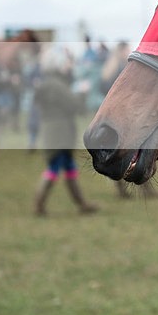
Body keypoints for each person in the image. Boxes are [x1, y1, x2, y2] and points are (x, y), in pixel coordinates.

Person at [33, 47, 98, 216]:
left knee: (69, 168)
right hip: (59, 135)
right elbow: (75, 106)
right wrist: (83, 94)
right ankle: (39, 205)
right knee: (54, 169)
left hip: (55, 133)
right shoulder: (57, 85)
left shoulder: (48, 84)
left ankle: (82, 204)